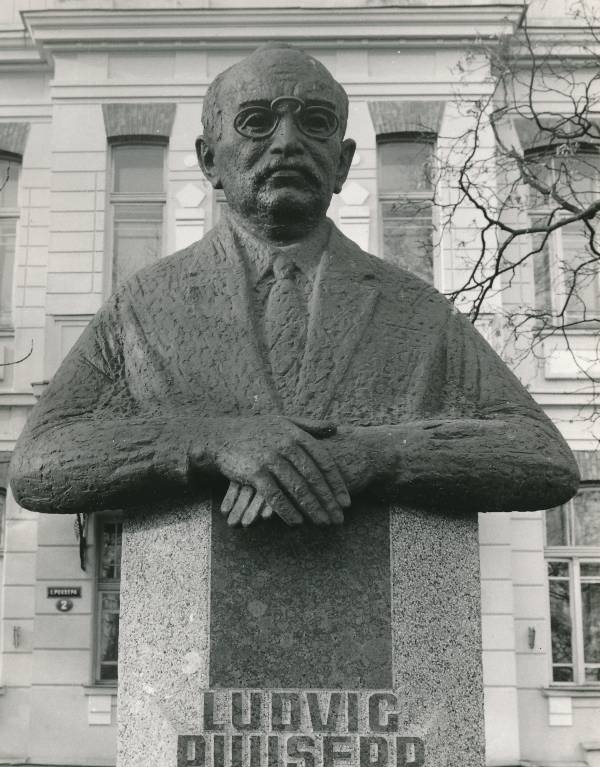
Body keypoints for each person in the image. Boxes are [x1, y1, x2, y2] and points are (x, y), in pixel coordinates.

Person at [9, 42, 579, 527]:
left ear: (343, 162)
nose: (286, 142)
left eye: (315, 123)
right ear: (210, 161)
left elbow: (543, 457)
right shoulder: (144, 306)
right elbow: (39, 463)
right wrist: (210, 441)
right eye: (257, 122)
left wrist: (378, 451)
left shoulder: (416, 310)